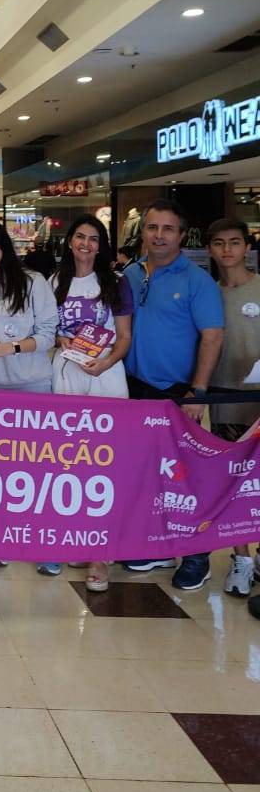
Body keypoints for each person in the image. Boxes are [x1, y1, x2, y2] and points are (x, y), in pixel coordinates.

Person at [122, 200, 224, 591]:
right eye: (152, 227)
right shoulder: (131, 274)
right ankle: (156, 546)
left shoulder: (197, 281)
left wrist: (197, 391)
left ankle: (197, 556)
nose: (159, 236)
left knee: (187, 478)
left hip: (179, 393)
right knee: (147, 474)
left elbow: (212, 336)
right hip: (135, 388)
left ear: (181, 235)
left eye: (167, 229)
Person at [0, 221, 58, 590]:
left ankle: (46, 546)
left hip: (34, 386)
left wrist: (12, 347)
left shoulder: (34, 282)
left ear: (4, 244)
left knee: (38, 468)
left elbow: (48, 334)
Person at [50, 215, 134, 593]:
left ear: (101, 246)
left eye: (94, 238)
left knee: (105, 462)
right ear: (70, 241)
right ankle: (80, 539)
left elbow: (124, 336)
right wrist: (60, 340)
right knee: (71, 460)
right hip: (66, 372)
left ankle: (102, 554)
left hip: (105, 373)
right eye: (80, 237)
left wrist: (106, 363)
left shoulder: (115, 282)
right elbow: (50, 330)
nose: (86, 244)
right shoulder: (55, 282)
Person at [207, 218, 260, 597]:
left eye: (235, 242)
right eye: (220, 243)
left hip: (258, 398)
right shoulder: (208, 294)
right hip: (223, 398)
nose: (227, 250)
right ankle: (241, 558)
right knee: (233, 480)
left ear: (247, 247)